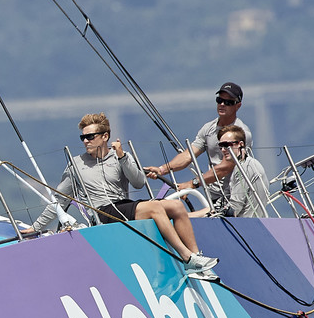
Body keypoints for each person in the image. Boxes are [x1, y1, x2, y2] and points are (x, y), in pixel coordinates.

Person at [27, 113, 217, 279]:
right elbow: (60, 199)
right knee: (156, 207)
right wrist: (35, 228)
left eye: (90, 136)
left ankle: (197, 257)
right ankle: (186, 258)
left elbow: (139, 182)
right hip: (101, 212)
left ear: (105, 137)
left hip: (123, 205)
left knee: (176, 206)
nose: (85, 141)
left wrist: (122, 158)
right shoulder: (76, 165)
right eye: (83, 137)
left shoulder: (120, 156)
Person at [144, 81, 254, 203]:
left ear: (238, 105)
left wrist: (192, 183)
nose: (222, 104)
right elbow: (188, 155)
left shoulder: (242, 133)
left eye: (228, 102)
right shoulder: (208, 129)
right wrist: (162, 170)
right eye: (219, 100)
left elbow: (226, 168)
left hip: (236, 197)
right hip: (214, 198)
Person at [211, 124, 271, 218]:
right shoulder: (238, 167)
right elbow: (222, 203)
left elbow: (233, 209)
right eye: (221, 145)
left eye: (227, 145)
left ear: (241, 144)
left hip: (245, 226)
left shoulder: (246, 167)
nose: (223, 149)